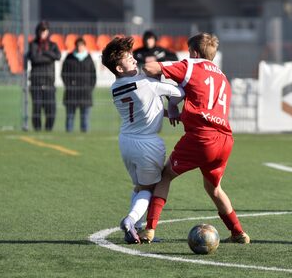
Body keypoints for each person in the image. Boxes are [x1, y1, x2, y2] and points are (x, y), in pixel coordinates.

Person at [140, 33, 251, 244]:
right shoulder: (223, 77)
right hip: (224, 139)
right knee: (214, 188)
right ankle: (238, 233)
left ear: (193, 52)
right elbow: (207, 110)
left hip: (202, 138)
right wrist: (176, 113)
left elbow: (150, 68)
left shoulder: (190, 66)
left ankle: (149, 229)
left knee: (165, 176)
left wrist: (166, 90)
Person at [101, 36, 184, 244]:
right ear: (119, 68)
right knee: (151, 189)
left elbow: (145, 109)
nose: (135, 60)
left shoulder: (115, 87)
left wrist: (166, 111)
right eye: (129, 59)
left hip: (126, 141)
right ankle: (130, 220)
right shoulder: (147, 84)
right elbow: (180, 92)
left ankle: (135, 229)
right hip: (147, 144)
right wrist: (173, 106)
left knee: (139, 187)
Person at [27, 21, 61, 131]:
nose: (43, 32)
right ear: (38, 31)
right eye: (41, 30)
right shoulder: (33, 44)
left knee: (51, 109)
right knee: (36, 108)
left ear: (48, 31)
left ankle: (48, 130)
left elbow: (58, 56)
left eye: (45, 30)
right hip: (36, 81)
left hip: (49, 82)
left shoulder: (53, 45)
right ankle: (37, 130)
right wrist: (49, 57)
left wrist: (45, 53)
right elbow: (34, 59)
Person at [61, 37, 96, 132]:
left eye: (82, 45)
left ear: (84, 46)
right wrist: (69, 86)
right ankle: (69, 134)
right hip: (71, 93)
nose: (80, 47)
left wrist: (89, 88)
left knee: (85, 117)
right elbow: (64, 73)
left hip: (85, 93)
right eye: (78, 45)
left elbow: (93, 75)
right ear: (75, 46)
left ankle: (85, 135)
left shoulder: (89, 58)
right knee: (70, 116)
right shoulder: (69, 57)